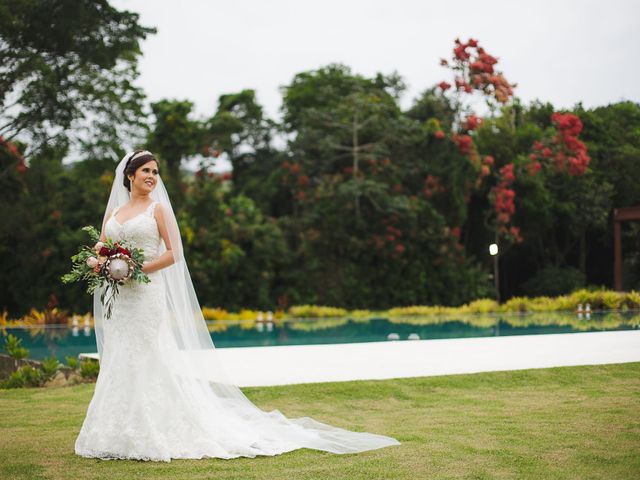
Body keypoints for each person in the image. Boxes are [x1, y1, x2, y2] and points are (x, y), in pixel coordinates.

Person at [74, 150, 401, 462]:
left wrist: (136, 269)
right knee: (121, 356)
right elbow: (103, 246)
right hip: (122, 299)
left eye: (156, 172)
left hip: (146, 296)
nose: (152, 177)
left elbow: (175, 254)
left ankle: (149, 432)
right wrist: (97, 262)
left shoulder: (157, 210)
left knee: (147, 356)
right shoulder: (115, 213)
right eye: (146, 171)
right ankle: (114, 433)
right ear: (130, 175)